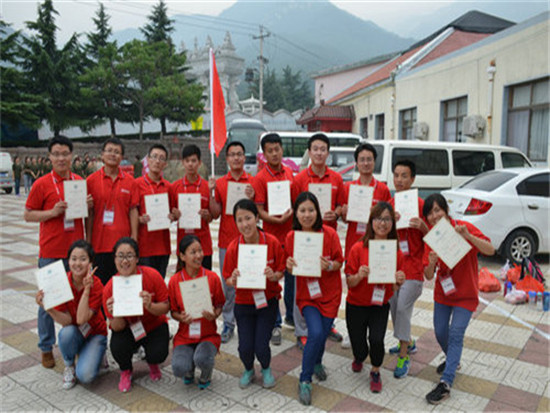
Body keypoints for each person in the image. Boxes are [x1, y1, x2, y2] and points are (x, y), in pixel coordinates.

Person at [422, 194, 494, 405]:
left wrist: (469, 237)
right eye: (430, 213)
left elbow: (490, 250)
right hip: (443, 294)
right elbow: (427, 275)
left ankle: (446, 382)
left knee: (455, 333)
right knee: (440, 331)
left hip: (466, 294)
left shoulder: (462, 227)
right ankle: (453, 359)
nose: (434, 216)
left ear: (446, 210)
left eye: (437, 210)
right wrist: (431, 263)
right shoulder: (432, 239)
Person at [24, 136, 89, 369]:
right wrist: (52, 212)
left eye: (65, 153)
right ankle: (45, 347)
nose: (61, 158)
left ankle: (76, 343)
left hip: (76, 253)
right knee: (49, 302)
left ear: (72, 156)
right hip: (51, 251)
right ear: (50, 157)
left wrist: (86, 205)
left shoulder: (79, 182)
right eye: (56, 154)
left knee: (79, 299)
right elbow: (28, 214)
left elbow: (85, 214)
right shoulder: (41, 184)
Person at [285, 192, 344, 405]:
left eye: (311, 210)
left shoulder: (329, 234)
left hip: (330, 295)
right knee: (316, 333)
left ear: (317, 211)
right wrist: (289, 266)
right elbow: (289, 264)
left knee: (322, 333)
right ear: (296, 214)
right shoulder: (292, 237)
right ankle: (305, 379)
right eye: (302, 210)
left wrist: (328, 265)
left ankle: (317, 362)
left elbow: (339, 262)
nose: (307, 214)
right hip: (307, 296)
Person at [223, 199, 285, 389]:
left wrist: (273, 275)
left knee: (261, 345)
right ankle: (248, 369)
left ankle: (266, 369)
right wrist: (233, 279)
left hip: (267, 302)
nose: (245, 224)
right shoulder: (234, 247)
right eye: (239, 220)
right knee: (245, 347)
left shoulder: (272, 242)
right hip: (243, 303)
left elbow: (281, 271)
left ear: (257, 218)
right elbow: (227, 279)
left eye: (248, 218)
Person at [344, 202, 406, 393]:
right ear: (371, 222)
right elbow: (350, 282)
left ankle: (376, 370)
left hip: (379, 304)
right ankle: (359, 357)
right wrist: (359, 276)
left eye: (387, 219)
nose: (382, 223)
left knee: (377, 339)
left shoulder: (395, 251)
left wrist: (399, 281)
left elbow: (394, 287)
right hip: (356, 304)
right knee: (359, 346)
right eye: (378, 219)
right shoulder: (357, 248)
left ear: (392, 223)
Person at [292, 133, 345, 346]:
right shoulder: (300, 179)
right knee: (302, 283)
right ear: (309, 152)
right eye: (315, 149)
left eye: (323, 149)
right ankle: (301, 329)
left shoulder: (337, 178)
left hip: (328, 238)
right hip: (305, 240)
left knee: (326, 282)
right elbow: (295, 208)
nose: (319, 153)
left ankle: (326, 322)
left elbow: (341, 205)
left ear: (328, 153)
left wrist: (337, 212)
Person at [35, 240, 107, 389]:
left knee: (86, 376)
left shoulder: (97, 284)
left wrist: (86, 290)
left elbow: (81, 319)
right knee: (66, 333)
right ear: (68, 261)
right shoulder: (62, 282)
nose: (77, 263)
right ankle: (69, 365)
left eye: (83, 259)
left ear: (90, 262)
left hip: (95, 333)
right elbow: (67, 320)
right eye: (73, 259)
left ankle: (97, 352)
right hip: (75, 332)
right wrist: (47, 307)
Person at [102, 237, 170, 393]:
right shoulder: (110, 288)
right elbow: (117, 327)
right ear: (114, 259)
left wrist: (150, 306)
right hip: (128, 328)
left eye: (129, 256)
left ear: (137, 258)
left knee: (158, 353)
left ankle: (153, 363)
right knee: (117, 346)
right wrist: (115, 313)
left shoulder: (152, 275)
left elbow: (166, 307)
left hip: (153, 325)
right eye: (120, 256)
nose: (125, 261)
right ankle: (126, 371)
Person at [209, 141, 255, 343]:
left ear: (244, 158)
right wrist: (211, 193)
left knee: (249, 282)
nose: (236, 158)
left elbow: (257, 214)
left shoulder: (251, 183)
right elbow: (215, 213)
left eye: (239, 154)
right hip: (227, 242)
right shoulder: (220, 183)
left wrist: (252, 198)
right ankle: (228, 323)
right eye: (232, 155)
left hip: (248, 242)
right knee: (228, 285)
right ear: (227, 159)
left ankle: (249, 320)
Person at [253, 133, 295, 345]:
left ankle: (292, 317)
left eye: (277, 149)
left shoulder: (289, 173)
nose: (275, 153)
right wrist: (278, 220)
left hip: (290, 236)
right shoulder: (260, 178)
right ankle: (275, 323)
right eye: (270, 150)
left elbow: (295, 202)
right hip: (270, 237)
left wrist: (290, 216)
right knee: (272, 280)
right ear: (265, 153)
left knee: (292, 278)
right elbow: (259, 212)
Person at [388, 160, 429, 378]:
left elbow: (434, 237)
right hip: (395, 266)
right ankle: (409, 341)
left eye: (405, 176)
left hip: (413, 268)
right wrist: (388, 223)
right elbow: (380, 234)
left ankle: (404, 355)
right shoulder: (390, 204)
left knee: (403, 307)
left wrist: (423, 227)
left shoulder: (421, 205)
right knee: (394, 305)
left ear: (413, 179)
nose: (400, 180)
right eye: (396, 175)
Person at [169, 235, 224, 389]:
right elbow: (173, 311)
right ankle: (189, 370)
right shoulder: (174, 281)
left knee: (203, 359)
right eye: (193, 252)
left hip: (207, 335)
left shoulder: (212, 278)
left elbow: (220, 304)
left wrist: (215, 314)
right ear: (182, 256)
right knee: (179, 367)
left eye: (200, 251)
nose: (199, 255)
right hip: (185, 336)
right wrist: (181, 317)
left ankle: (206, 373)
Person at [87, 138, 138, 285]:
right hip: (99, 244)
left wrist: (134, 238)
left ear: (122, 157)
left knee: (122, 287)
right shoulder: (91, 181)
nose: (113, 154)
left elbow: (133, 210)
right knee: (101, 286)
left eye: (117, 152)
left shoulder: (130, 182)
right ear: (102, 155)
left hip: (123, 246)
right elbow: (89, 215)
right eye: (109, 151)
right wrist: (88, 242)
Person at [341, 143, 391, 259]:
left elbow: (389, 219)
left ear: (374, 162)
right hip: (353, 243)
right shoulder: (348, 187)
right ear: (357, 163)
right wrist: (344, 214)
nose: (366, 163)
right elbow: (345, 220)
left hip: (376, 244)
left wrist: (376, 214)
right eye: (362, 160)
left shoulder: (383, 189)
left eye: (369, 160)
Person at [132, 144, 173, 278]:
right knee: (145, 285)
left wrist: (174, 216)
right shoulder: (136, 184)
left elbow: (173, 213)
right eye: (154, 157)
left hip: (163, 246)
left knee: (160, 283)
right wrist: (139, 219)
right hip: (144, 246)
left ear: (165, 164)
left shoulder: (168, 187)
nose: (157, 161)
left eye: (161, 158)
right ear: (147, 160)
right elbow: (130, 212)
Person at [170, 144, 213, 271]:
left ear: (199, 163)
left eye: (193, 161)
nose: (190, 164)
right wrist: (175, 215)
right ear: (182, 163)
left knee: (205, 283)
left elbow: (212, 217)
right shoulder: (175, 187)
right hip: (183, 245)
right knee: (184, 283)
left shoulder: (206, 187)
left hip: (203, 245)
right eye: (187, 161)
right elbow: (171, 216)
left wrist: (207, 216)